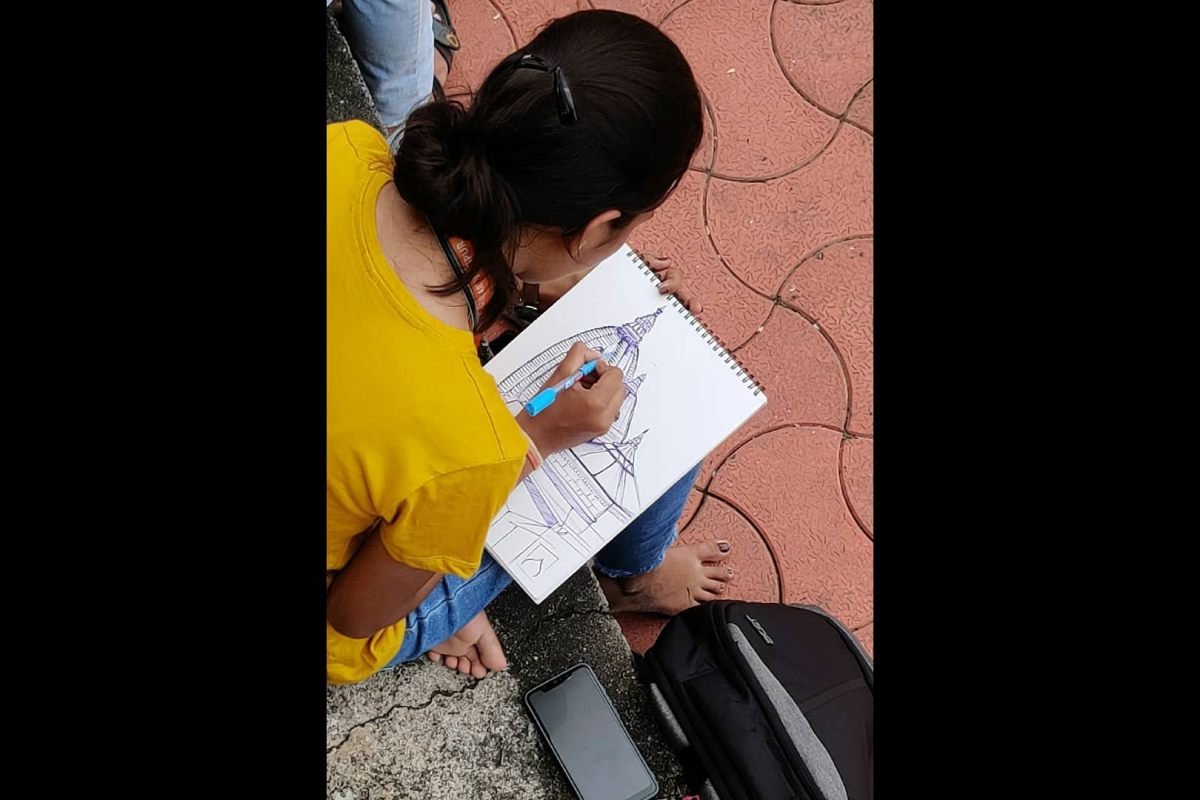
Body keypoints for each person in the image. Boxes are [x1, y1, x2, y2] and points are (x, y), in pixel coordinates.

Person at [327, 10, 733, 685]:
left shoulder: (348, 147)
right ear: (599, 229)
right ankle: (631, 579)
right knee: (674, 402)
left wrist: (535, 285)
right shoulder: (473, 449)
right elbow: (350, 619)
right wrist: (536, 436)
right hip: (345, 609)